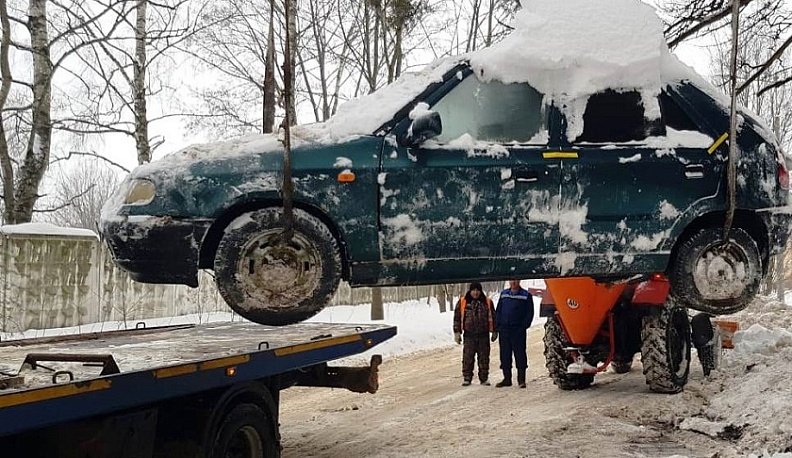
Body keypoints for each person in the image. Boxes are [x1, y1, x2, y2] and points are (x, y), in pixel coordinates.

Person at [453, 282, 496, 386]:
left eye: (477, 290)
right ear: (470, 291)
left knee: (484, 358)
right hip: (469, 335)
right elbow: (457, 318)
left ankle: (484, 378)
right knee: (468, 358)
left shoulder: (487, 302)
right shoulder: (463, 302)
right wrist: (457, 332)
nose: (475, 293)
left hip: (483, 335)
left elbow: (493, 316)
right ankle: (467, 378)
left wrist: (495, 330)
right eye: (473, 290)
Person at [494, 279, 534, 388]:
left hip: (518, 331)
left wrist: (523, 326)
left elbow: (529, 313)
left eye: (515, 280)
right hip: (504, 330)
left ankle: (521, 380)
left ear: (519, 281)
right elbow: (498, 311)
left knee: (520, 354)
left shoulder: (526, 295)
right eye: (511, 280)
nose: (513, 282)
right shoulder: (504, 294)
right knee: (505, 355)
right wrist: (498, 325)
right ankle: (507, 379)